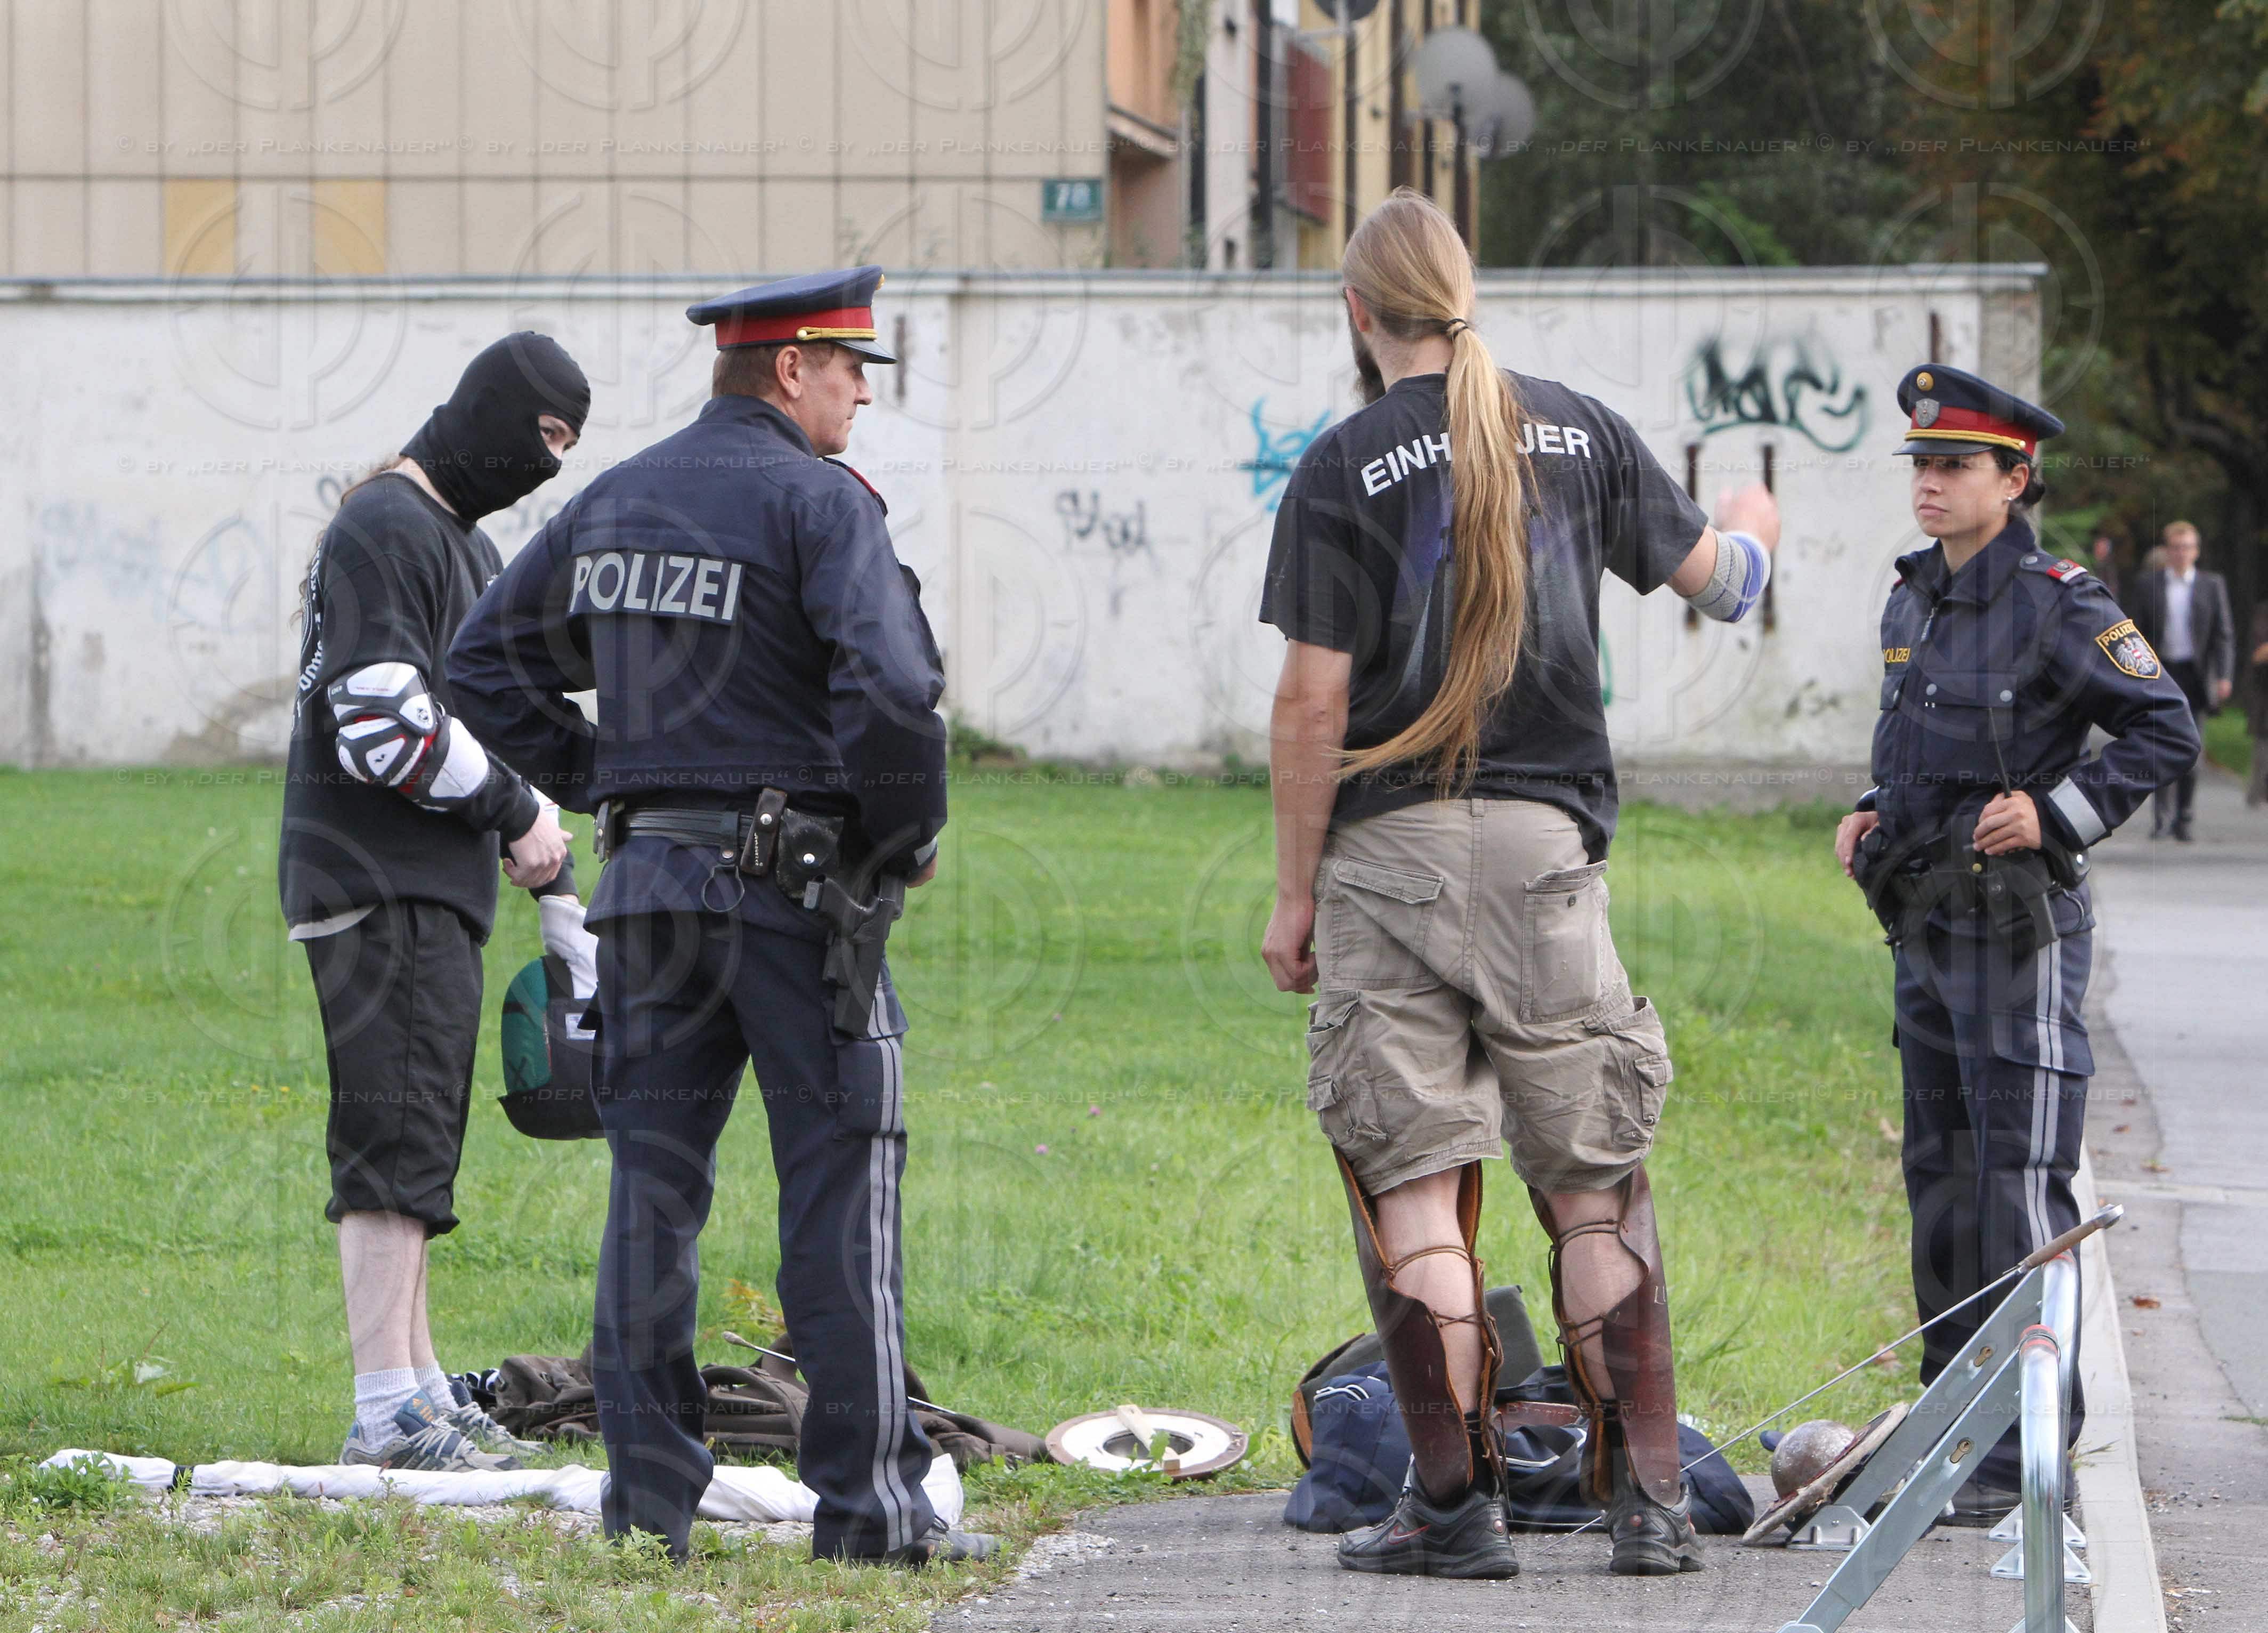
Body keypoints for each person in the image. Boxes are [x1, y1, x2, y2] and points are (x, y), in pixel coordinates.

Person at [1258, 189, 1780, 1581]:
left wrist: (1295, 896)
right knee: (1594, 1192)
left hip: (1387, 863)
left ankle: (1451, 1511)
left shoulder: (1340, 465)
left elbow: (1310, 704)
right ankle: (1651, 1504)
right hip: (1551, 863)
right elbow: (1723, 586)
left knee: (1417, 1187)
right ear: (1465, 293)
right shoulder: (1584, 430)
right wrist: (1753, 524)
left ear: (1359, 312)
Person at [446, 267, 985, 1567]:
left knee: (652, 1199)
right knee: (838, 1197)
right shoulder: (820, 502)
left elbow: (480, 662)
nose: (862, 391)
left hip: (649, 903)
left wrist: (609, 779)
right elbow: (895, 689)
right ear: (790, 367)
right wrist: (903, 836)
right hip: (801, 905)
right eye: (849, 367)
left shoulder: (617, 499)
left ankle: (647, 1511)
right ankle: (869, 1515)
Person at [1835, 364, 2198, 1522]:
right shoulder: (1912, 596)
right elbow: (1918, 747)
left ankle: (2021, 1456)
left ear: (2014, 477)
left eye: (1955, 465)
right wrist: (1870, 806)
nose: (1930, 483)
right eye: (1922, 464)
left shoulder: (2060, 603)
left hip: (2019, 940)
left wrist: (2056, 813)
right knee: (1940, 1186)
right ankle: (1951, 1430)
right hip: (1926, 928)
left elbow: (2165, 728)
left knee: (2016, 1188)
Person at [280, 332, 595, 1472]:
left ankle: (417, 1386)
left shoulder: (462, 543)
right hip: (378, 876)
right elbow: (379, 719)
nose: (547, 465)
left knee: (420, 1137)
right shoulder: (388, 526)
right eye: (543, 436)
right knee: (390, 1139)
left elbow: (486, 715)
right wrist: (514, 809)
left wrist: (560, 817)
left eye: (568, 448)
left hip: (427, 885)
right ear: (493, 409)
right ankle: (384, 1410)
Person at [2125, 521, 2234, 839]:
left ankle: (2184, 817)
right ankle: (2161, 818)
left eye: (2187, 547)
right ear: (2167, 551)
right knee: (2159, 747)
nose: (2181, 553)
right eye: (2175, 548)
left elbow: (2223, 635)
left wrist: (2224, 675)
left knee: (2192, 749)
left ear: (2196, 552)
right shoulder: (2149, 585)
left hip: (2196, 677)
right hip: (2161, 674)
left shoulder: (2212, 585)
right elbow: (2134, 633)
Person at [2247, 600, 2268, 808]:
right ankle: (2257, 792)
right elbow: (2258, 653)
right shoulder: (2264, 613)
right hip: (2265, 693)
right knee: (2263, 748)